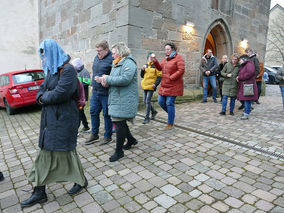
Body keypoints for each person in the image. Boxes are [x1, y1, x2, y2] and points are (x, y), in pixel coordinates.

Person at [21, 39, 87, 208]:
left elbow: (60, 93)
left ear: (53, 51)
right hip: (51, 119)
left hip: (64, 119)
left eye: (45, 54)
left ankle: (40, 192)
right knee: (54, 151)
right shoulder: (52, 70)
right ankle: (41, 191)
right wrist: (43, 96)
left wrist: (44, 97)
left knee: (64, 152)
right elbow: (41, 90)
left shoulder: (68, 70)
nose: (43, 58)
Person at [95, 42, 138, 162]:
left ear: (120, 52)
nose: (112, 55)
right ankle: (131, 140)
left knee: (119, 123)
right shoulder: (117, 63)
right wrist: (105, 81)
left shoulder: (129, 62)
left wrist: (107, 78)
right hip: (118, 98)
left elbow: (125, 79)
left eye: (113, 53)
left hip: (124, 99)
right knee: (120, 122)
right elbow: (116, 79)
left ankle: (119, 151)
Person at [85, 40, 113, 145]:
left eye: (100, 51)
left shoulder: (112, 59)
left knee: (106, 114)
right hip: (95, 92)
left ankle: (108, 136)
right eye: (96, 51)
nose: (98, 53)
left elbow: (114, 76)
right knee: (93, 112)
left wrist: (104, 79)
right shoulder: (96, 58)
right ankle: (94, 134)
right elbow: (94, 73)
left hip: (106, 93)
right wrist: (92, 85)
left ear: (106, 49)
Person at [153, 42, 185, 130]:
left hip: (174, 85)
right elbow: (160, 68)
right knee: (160, 101)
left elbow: (181, 70)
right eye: (165, 49)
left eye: (168, 49)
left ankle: (170, 123)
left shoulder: (179, 58)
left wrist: (171, 77)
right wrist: (155, 61)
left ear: (173, 49)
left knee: (169, 103)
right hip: (164, 85)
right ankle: (172, 114)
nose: (166, 51)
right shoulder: (165, 59)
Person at [140, 52, 162, 124]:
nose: (150, 59)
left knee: (147, 101)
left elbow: (159, 76)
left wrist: (155, 84)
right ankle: (154, 111)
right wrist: (142, 70)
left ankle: (147, 118)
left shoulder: (156, 66)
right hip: (145, 85)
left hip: (151, 86)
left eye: (152, 58)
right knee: (145, 101)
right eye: (149, 57)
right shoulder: (145, 65)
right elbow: (142, 76)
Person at [71, 58, 91, 132]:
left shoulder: (85, 72)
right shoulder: (76, 72)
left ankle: (76, 129)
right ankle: (86, 126)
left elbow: (87, 83)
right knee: (81, 112)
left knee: (79, 112)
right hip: (77, 96)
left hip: (83, 96)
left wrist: (78, 86)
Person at [236, 54, 258, 120]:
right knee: (244, 99)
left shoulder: (249, 64)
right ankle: (247, 110)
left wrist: (240, 77)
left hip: (247, 85)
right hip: (244, 85)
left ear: (244, 59)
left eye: (240, 60)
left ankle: (246, 113)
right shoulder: (246, 64)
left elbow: (249, 73)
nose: (239, 61)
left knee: (247, 100)